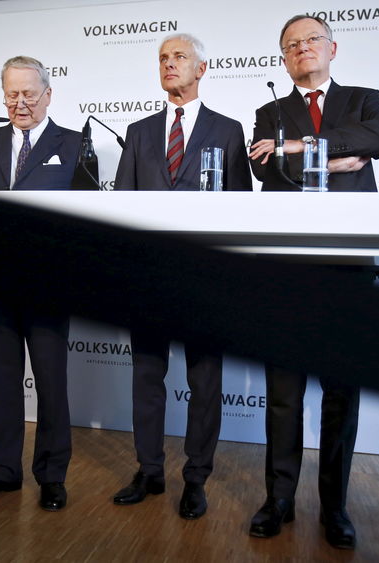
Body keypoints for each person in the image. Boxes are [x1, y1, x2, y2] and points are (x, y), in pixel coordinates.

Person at [246, 14, 379, 549]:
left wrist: (298, 148)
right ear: (283, 57)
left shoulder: (364, 99)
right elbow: (266, 171)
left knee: (341, 394)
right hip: (286, 265)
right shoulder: (269, 110)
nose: (302, 49)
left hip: (349, 264)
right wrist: (331, 157)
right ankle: (278, 499)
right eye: (291, 44)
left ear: (333, 47)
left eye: (311, 40)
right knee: (283, 392)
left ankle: (335, 505)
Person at [112, 33, 251, 520]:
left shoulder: (230, 130)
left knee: (205, 382)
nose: (170, 65)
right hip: (148, 278)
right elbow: (121, 206)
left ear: (202, 69)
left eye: (179, 58)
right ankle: (149, 471)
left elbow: (241, 213)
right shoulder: (139, 130)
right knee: (147, 379)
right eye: (163, 59)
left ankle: (196, 478)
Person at [0, 56, 83, 511]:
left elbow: (85, 220)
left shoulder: (72, 144)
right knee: (0, 382)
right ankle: (3, 471)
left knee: (51, 383)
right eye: (12, 93)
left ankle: (51, 475)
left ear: (49, 95)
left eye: (29, 93)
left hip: (48, 285)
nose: (20, 102)